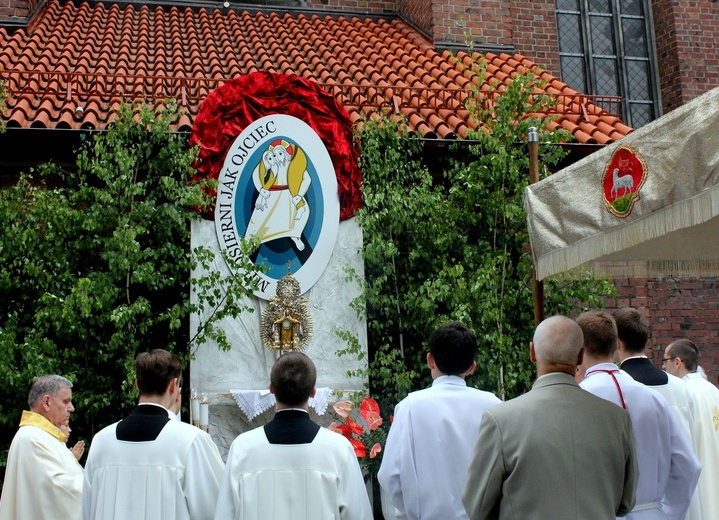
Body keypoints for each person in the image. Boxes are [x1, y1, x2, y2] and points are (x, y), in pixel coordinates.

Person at [462, 315, 638, 520]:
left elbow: (478, 506)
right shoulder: (617, 419)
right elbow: (625, 503)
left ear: (532, 352)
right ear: (581, 356)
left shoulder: (501, 420)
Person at [214, 351, 372, 520]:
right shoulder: (338, 449)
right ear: (313, 392)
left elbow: (225, 514)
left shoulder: (243, 448)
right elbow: (358, 514)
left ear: (271, 389)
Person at [577, 311, 700, 520]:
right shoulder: (653, 398)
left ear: (580, 350)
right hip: (651, 513)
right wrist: (668, 513)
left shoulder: (577, 398)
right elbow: (689, 466)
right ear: (615, 345)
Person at [377, 321, 501, 520]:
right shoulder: (494, 406)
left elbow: (390, 475)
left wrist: (411, 513)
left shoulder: (410, 407)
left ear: (430, 360)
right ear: (472, 367)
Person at [82, 349, 224, 520]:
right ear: (173, 385)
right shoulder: (191, 441)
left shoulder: (101, 441)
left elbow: (88, 510)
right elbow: (217, 510)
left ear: (136, 384)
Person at [614, 307, 703, 519]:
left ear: (617, 342)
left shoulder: (615, 389)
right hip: (681, 504)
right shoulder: (681, 388)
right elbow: (688, 460)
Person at [0, 375, 84, 520]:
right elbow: (58, 490)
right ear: (46, 402)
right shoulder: (32, 438)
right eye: (66, 402)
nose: (71, 408)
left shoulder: (44, 437)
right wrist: (97, 484)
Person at [664, 339, 719, 519]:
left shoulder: (682, 393)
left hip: (697, 487)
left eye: (665, 361)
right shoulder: (714, 391)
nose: (663, 367)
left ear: (677, 362)